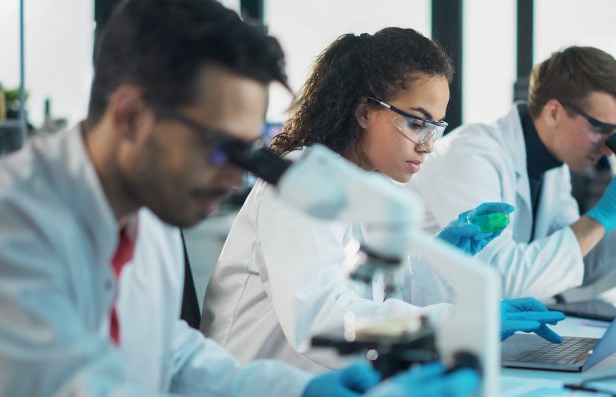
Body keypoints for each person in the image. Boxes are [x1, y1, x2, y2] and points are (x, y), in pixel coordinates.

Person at [0, 2, 483, 397]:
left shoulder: (147, 214)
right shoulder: (1, 225)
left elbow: (167, 352)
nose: (235, 174)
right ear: (131, 115)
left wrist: (301, 391)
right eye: (221, 145)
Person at [200, 28, 564, 374]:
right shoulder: (300, 183)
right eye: (416, 123)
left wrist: (442, 260)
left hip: (320, 392)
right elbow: (321, 320)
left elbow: (379, 301)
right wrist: (464, 323)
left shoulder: (373, 186)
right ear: (363, 112)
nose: (428, 144)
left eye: (436, 127)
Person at [407, 46, 616, 301]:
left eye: (615, 135)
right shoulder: (471, 155)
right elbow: (499, 280)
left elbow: (580, 264)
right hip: (423, 327)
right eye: (599, 129)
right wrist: (604, 216)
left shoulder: (554, 167)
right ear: (554, 112)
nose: (608, 149)